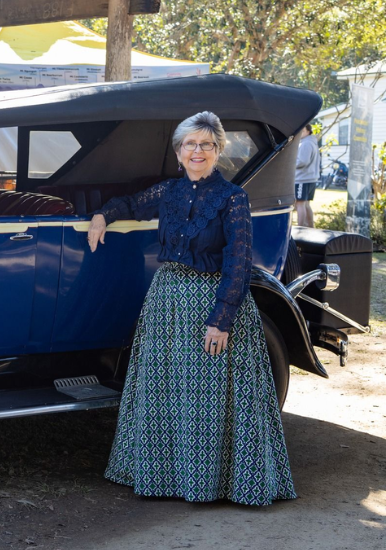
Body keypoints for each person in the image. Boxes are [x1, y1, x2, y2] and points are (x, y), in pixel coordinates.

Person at [87, 111, 296, 506]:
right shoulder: (169, 191)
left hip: (210, 303)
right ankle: (164, 478)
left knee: (208, 395)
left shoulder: (233, 199)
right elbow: (131, 203)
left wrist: (222, 319)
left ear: (218, 151)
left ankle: (214, 484)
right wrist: (103, 214)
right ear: (179, 151)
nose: (197, 151)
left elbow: (238, 260)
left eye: (206, 145)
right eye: (190, 144)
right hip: (167, 302)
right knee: (166, 391)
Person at [294, 123, 320, 227]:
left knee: (299, 204)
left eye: (303, 131)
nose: (300, 133)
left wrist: (290, 164)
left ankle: (300, 229)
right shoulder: (312, 142)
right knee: (306, 205)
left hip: (302, 179)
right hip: (310, 179)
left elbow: (302, 161)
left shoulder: (306, 144)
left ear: (308, 131)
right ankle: (310, 227)